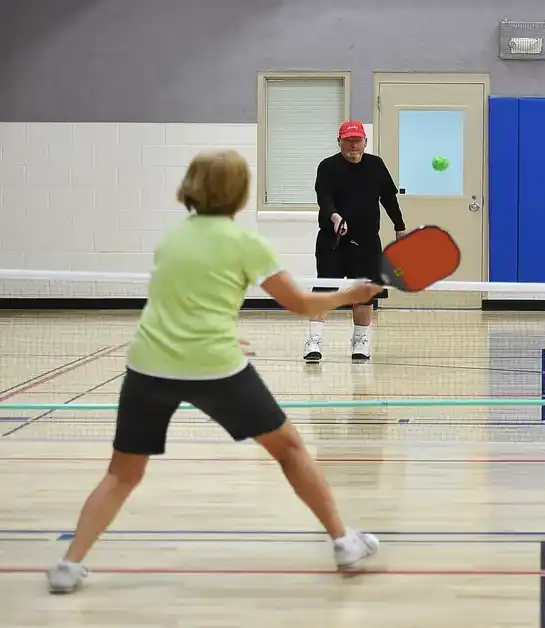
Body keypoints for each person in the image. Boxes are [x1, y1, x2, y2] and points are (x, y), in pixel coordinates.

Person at [46, 150, 383, 594]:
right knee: (291, 450)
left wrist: (216, 334)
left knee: (122, 474)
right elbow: (301, 305)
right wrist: (353, 293)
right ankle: (343, 542)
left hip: (149, 365)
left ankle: (68, 567)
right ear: (239, 193)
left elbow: (179, 301)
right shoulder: (246, 244)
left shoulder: (173, 237)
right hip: (215, 368)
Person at [304, 120, 406, 363]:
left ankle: (360, 342)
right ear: (339, 142)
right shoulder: (327, 167)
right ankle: (314, 342)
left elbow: (389, 199)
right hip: (333, 240)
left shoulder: (376, 165)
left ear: (365, 142)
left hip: (367, 242)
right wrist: (335, 216)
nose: (353, 145)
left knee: (363, 293)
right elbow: (324, 198)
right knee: (325, 290)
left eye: (357, 140)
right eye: (348, 141)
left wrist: (400, 227)